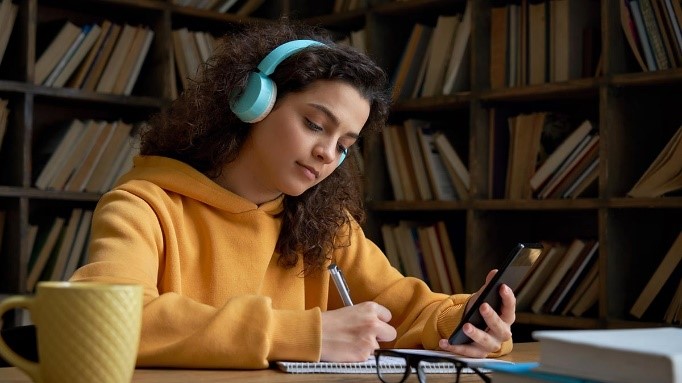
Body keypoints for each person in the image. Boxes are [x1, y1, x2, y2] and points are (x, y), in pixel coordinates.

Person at [70, 19, 515, 369]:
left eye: (344, 146)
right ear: (254, 103)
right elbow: (105, 322)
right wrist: (305, 335)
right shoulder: (144, 207)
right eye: (315, 125)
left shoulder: (327, 227)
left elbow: (408, 308)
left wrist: (468, 323)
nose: (326, 154)